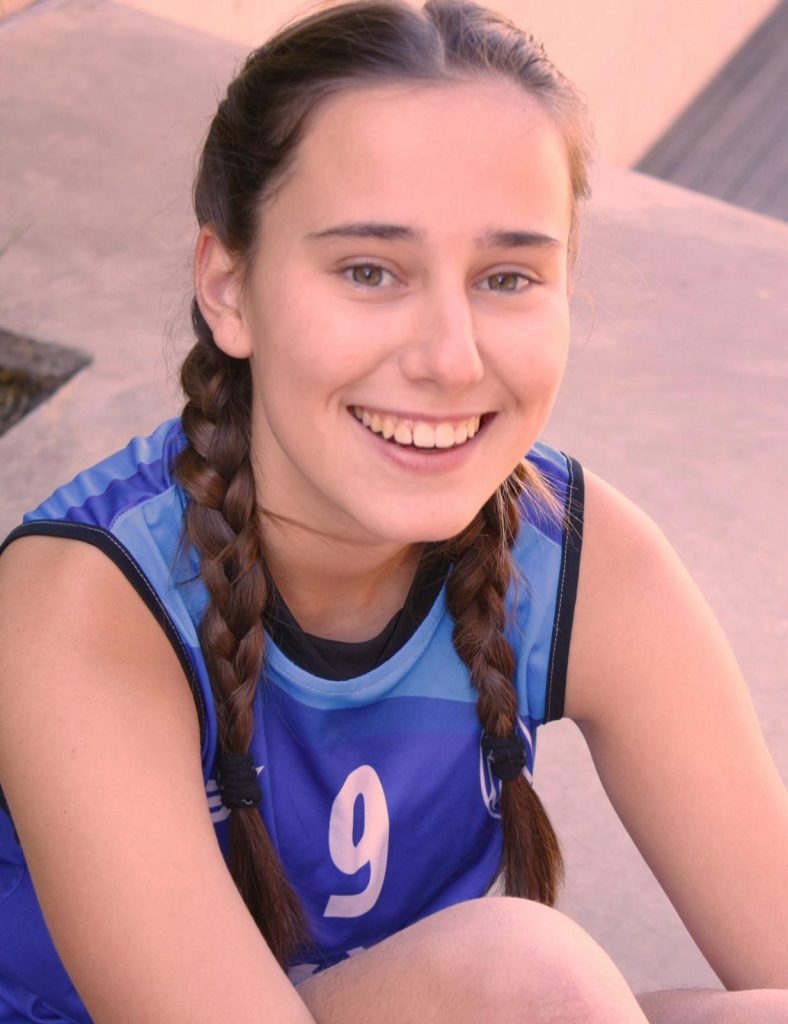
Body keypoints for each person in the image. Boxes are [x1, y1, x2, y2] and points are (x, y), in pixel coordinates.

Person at [0, 1, 785, 1021]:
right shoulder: (85, 605)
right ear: (227, 286)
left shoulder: (574, 556)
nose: (450, 357)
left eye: (506, 277)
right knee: (528, 984)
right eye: (369, 271)